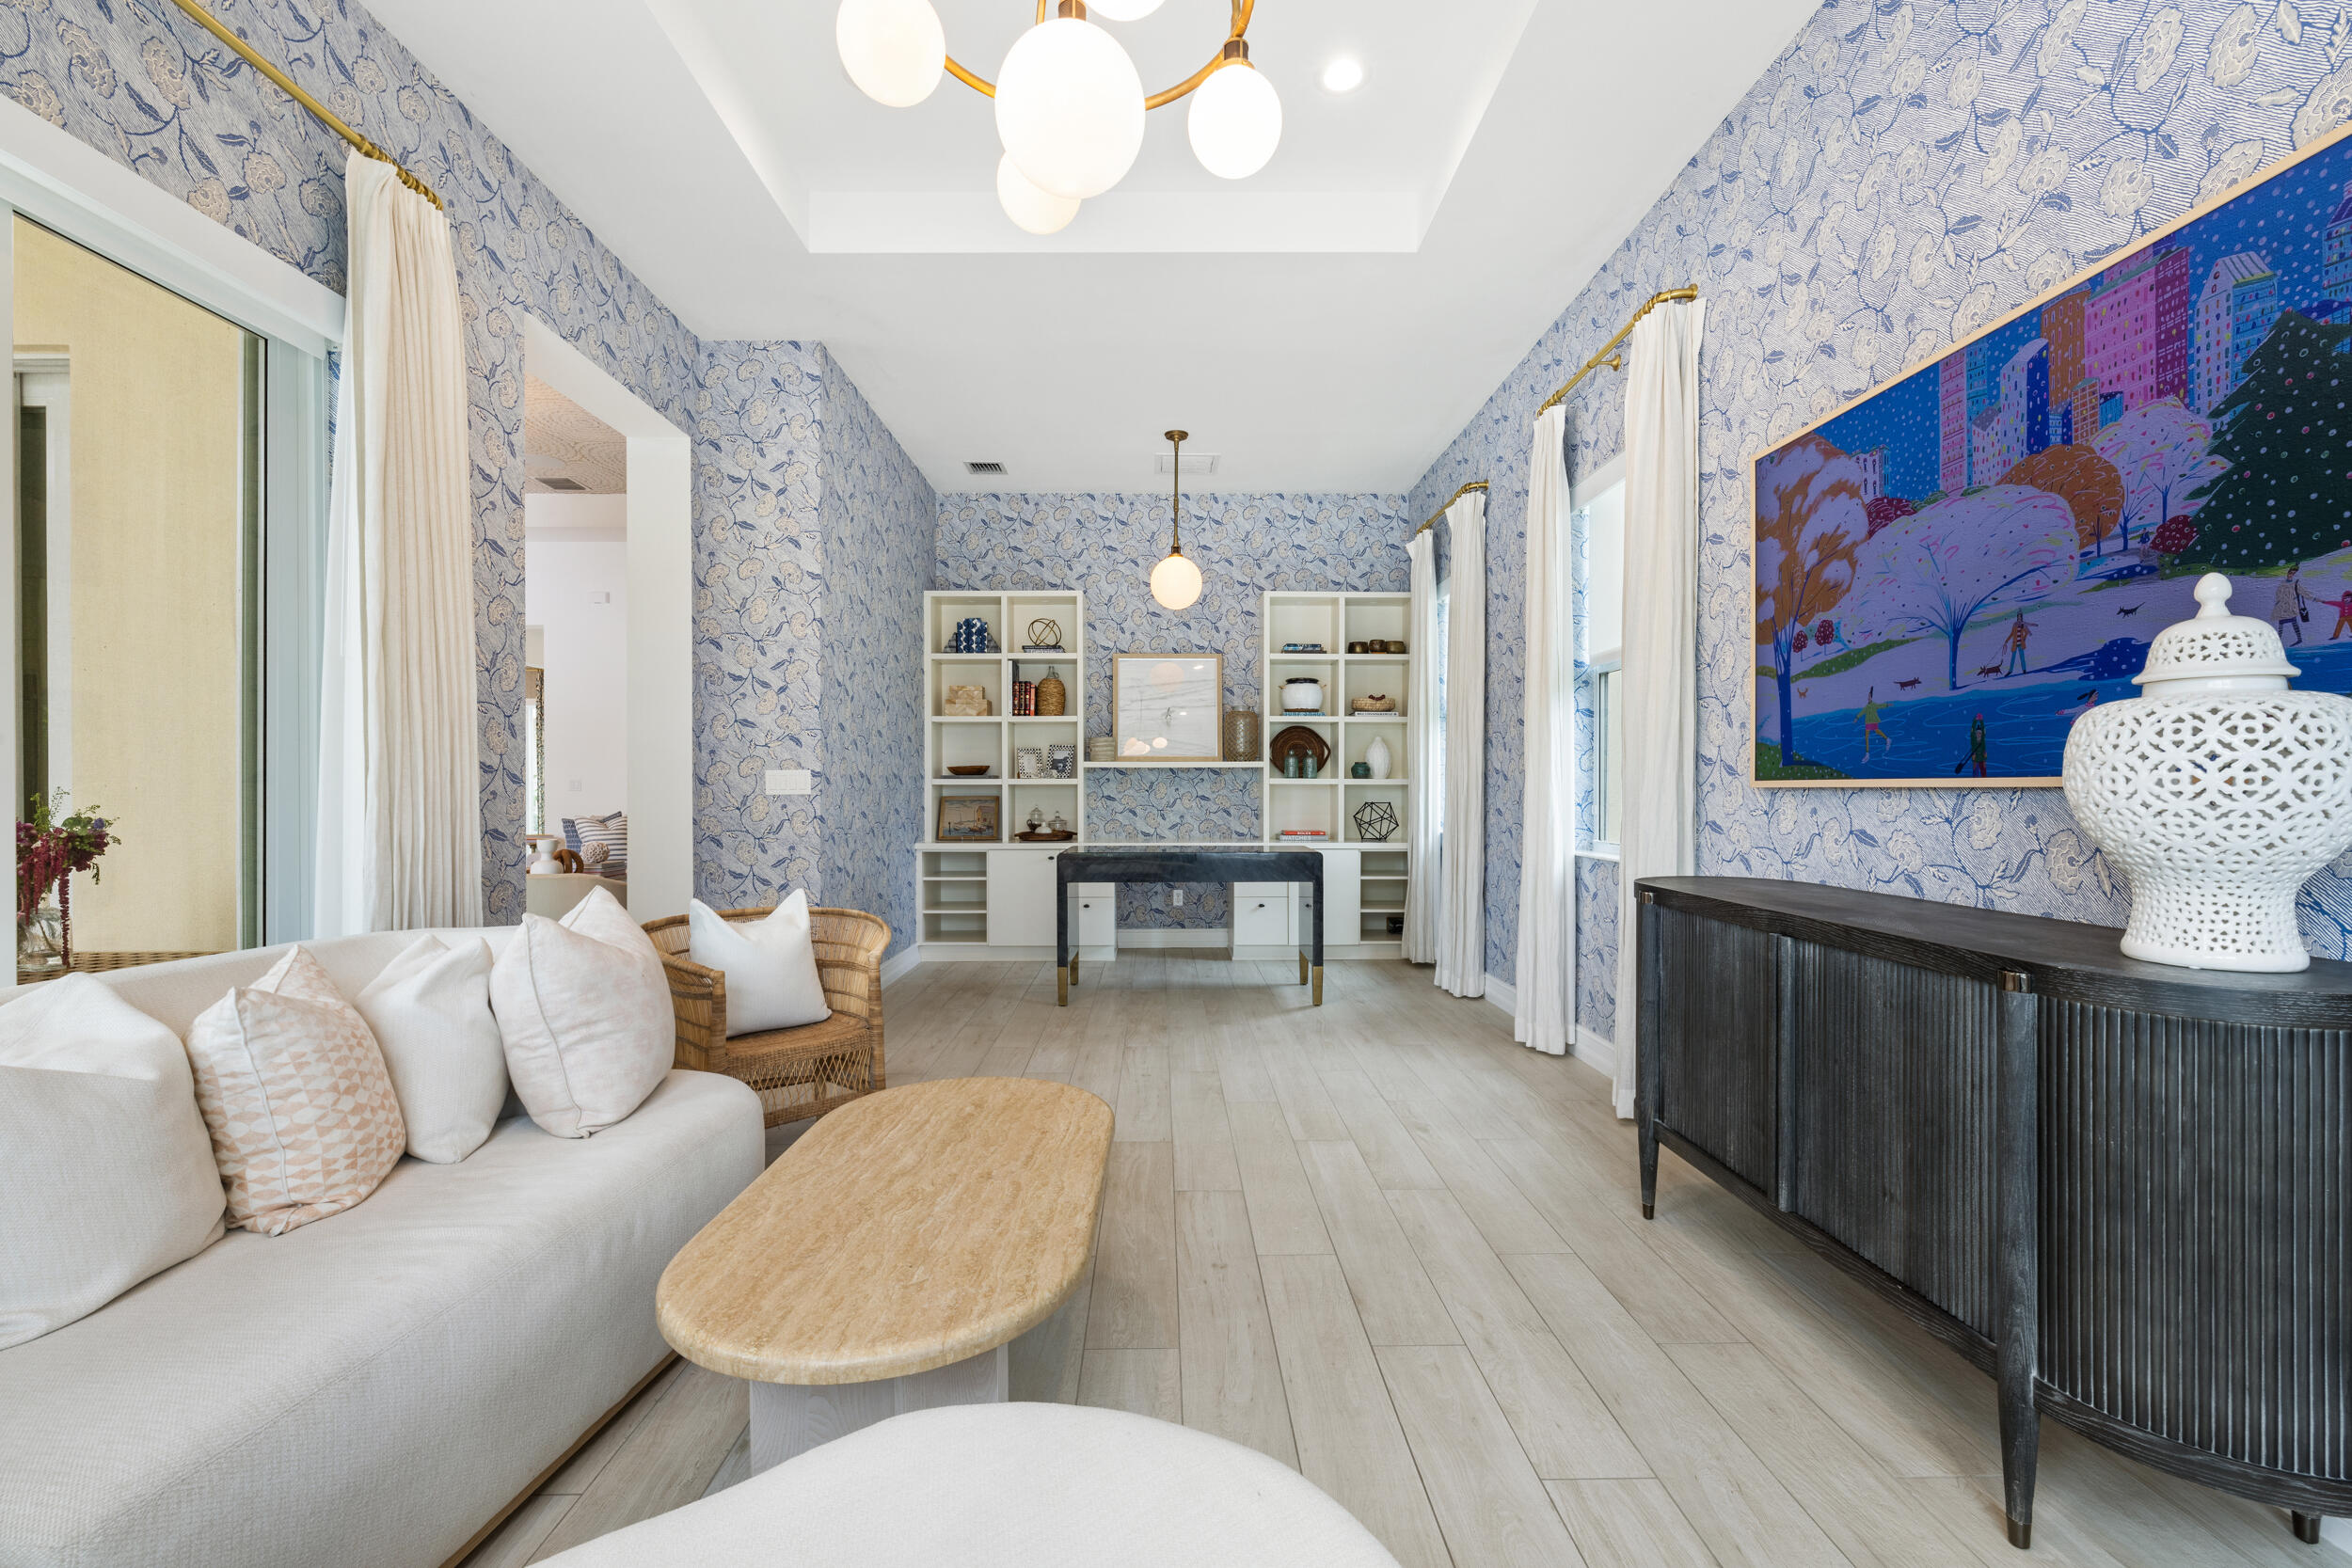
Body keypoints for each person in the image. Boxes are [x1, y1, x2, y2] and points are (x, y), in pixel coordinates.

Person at [2276, 564, 2309, 645]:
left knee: (2294, 622)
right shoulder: (2284, 582)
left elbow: (2300, 593)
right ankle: (2278, 640)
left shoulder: (2296, 582)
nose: (2291, 575)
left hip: (2291, 606)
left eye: (2293, 573)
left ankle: (2299, 638)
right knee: (2281, 623)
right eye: (2290, 573)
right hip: (2284, 606)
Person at [1857, 686, 1888, 760]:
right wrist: (1857, 717)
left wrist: (1887, 705)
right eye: (1868, 696)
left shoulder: (1874, 705)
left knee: (1876, 731)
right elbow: (1862, 712)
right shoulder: (1867, 706)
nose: (1868, 698)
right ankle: (1867, 754)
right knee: (1867, 736)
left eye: (1869, 696)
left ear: (1871, 697)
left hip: (1873, 721)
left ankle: (1887, 739)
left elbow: (1880, 706)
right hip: (1868, 722)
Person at [2001, 610, 2034, 675]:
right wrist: (2006, 641)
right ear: (2017, 617)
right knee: (2013, 658)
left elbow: (2027, 632)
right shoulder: (2015, 624)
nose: (2019, 618)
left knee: (2022, 658)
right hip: (2015, 645)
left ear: (2021, 617)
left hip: (2021, 644)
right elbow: (2012, 634)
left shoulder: (2022, 624)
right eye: (2018, 616)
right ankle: (2010, 671)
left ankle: (2024, 670)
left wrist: (2024, 638)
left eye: (2020, 616)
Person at [1963, 713, 1988, 778]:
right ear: (1976, 734)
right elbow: (1972, 731)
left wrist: (1981, 721)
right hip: (1975, 758)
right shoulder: (1973, 740)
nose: (1979, 734)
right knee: (1975, 772)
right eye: (1977, 733)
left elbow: (1983, 730)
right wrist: (1975, 721)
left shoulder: (1982, 739)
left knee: (1984, 772)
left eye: (1980, 733)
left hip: (1982, 757)